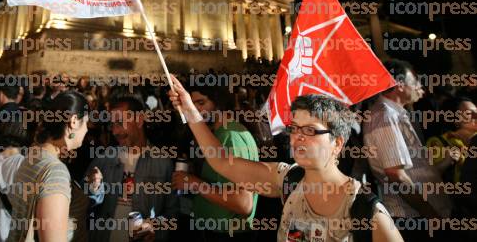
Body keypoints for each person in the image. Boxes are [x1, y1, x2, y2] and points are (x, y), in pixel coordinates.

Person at [167, 75, 403, 242]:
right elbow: (220, 162)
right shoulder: (286, 179)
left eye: (310, 130)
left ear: (337, 144)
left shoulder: (366, 211)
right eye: (294, 128)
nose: (297, 138)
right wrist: (189, 108)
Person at [363, 60, 451, 240]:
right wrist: (431, 214)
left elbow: (415, 170)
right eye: (416, 81)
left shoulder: (395, 114)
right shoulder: (384, 116)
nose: (420, 86)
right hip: (415, 218)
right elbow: (396, 175)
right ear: (400, 85)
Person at [85, 92, 178, 242]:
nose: (114, 131)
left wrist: (155, 228)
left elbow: (172, 212)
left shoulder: (163, 162)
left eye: (120, 123)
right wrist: (92, 190)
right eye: (112, 125)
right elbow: (85, 205)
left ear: (139, 120)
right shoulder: (104, 159)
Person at [171, 83, 258, 241]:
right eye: (192, 103)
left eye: (201, 103)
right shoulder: (219, 134)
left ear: (219, 103)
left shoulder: (231, 136)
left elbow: (243, 203)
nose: (196, 109)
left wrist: (194, 183)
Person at [7, 91, 90, 242]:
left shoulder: (34, 154)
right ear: (74, 122)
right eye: (86, 122)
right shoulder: (54, 170)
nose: (87, 129)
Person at [426, 97, 477, 183]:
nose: (476, 115)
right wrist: (445, 163)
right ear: (455, 120)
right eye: (469, 113)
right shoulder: (438, 143)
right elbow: (427, 179)